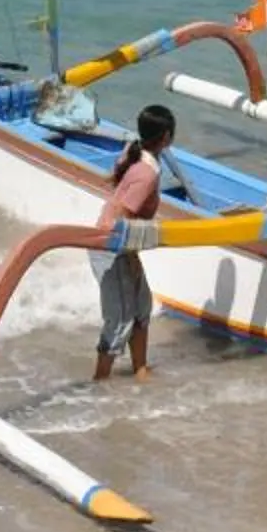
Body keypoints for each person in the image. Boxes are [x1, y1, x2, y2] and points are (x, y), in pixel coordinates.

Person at [93, 104, 175, 381]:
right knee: (120, 319)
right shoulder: (147, 174)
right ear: (166, 137)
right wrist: (131, 257)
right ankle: (99, 381)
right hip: (112, 248)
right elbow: (124, 219)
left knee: (141, 307)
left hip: (120, 245)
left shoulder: (135, 152)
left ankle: (140, 370)